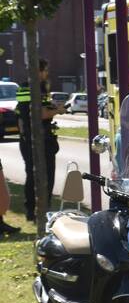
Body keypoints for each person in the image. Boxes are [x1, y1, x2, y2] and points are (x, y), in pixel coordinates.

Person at [17, 59, 63, 222]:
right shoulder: (37, 88)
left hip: (27, 139)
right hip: (41, 140)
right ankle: (43, 212)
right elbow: (40, 114)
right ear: (38, 71)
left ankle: (31, 212)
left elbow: (23, 114)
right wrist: (58, 110)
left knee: (31, 175)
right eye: (45, 70)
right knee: (46, 176)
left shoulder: (24, 88)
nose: (47, 73)